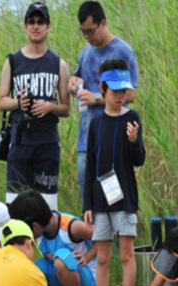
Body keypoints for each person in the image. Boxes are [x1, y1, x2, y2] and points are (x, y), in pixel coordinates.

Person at [83, 59, 145, 286]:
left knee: (127, 255)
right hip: (100, 202)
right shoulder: (95, 123)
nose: (120, 96)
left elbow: (139, 159)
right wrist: (87, 203)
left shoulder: (133, 119)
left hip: (125, 199)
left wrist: (133, 142)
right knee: (104, 258)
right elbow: (90, 166)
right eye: (115, 91)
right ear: (102, 88)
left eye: (124, 91)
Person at [0, 2, 70, 211]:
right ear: (25, 26)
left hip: (47, 144)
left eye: (40, 22)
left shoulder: (58, 64)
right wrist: (18, 103)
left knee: (48, 209)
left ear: (48, 27)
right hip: (20, 144)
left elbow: (66, 108)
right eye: (31, 21)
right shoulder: (13, 61)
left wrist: (49, 107)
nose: (35, 26)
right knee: (15, 207)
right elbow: (1, 101)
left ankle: (45, 244)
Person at [68, 1, 139, 202]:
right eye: (83, 32)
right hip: (86, 140)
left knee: (114, 201)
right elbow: (77, 78)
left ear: (103, 23)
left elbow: (131, 94)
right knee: (88, 202)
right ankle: (92, 234)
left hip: (113, 138)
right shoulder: (86, 52)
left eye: (90, 31)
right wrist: (73, 84)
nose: (87, 37)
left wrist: (97, 99)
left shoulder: (122, 51)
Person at [9, 190, 97, 286]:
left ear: (35, 226)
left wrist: (87, 256)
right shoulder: (40, 233)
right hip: (62, 284)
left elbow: (104, 238)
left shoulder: (72, 227)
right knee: (32, 266)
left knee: (61, 259)